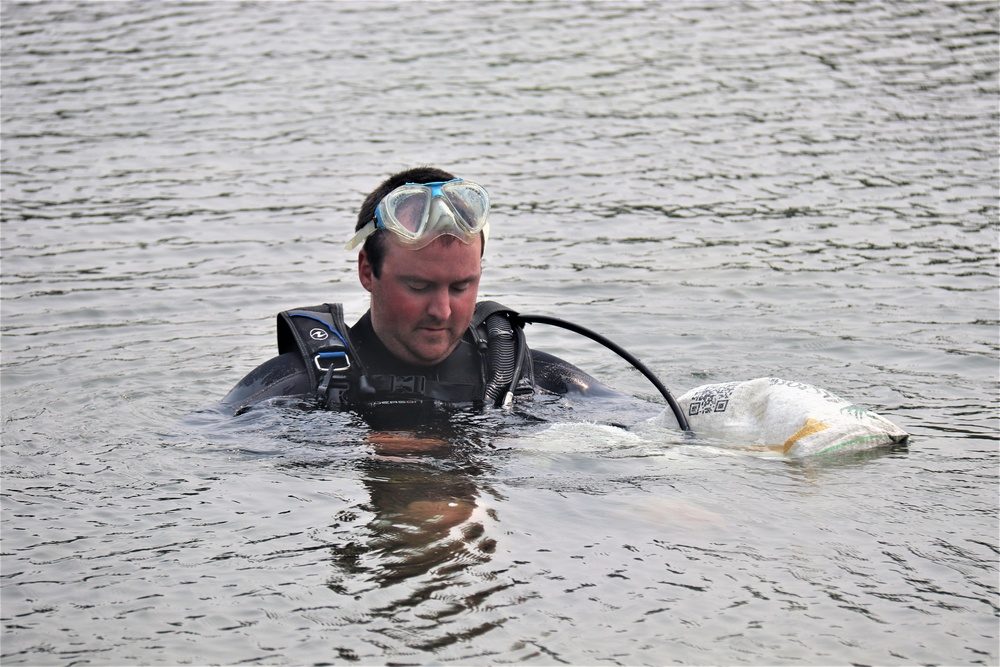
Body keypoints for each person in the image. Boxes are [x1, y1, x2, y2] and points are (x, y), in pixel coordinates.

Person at [222, 166, 623, 422]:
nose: (442, 310)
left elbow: (660, 427)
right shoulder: (295, 387)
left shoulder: (523, 378)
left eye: (461, 286)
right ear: (368, 271)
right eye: (418, 286)